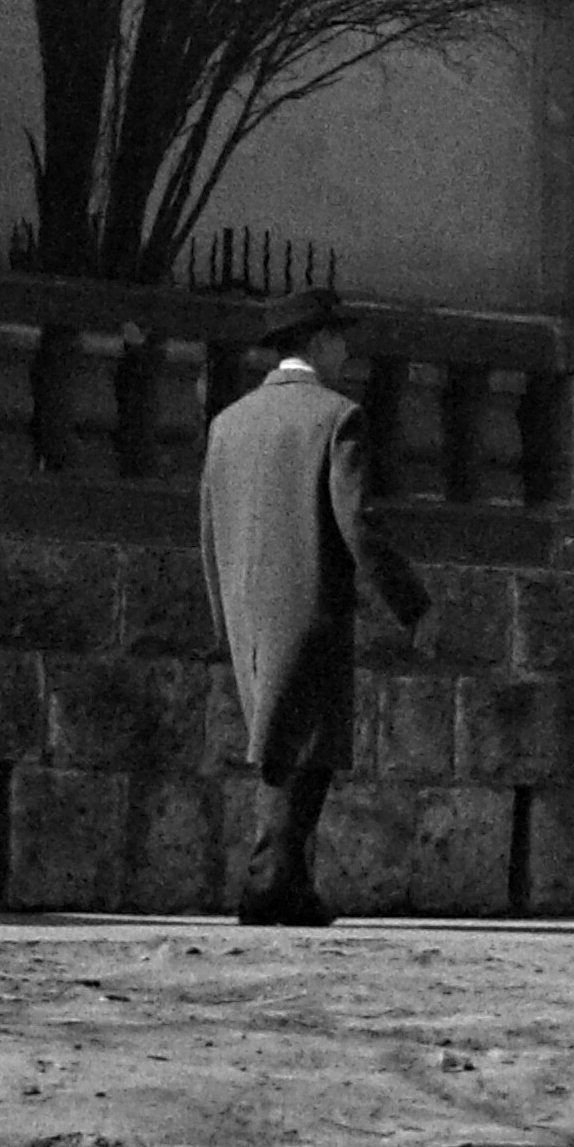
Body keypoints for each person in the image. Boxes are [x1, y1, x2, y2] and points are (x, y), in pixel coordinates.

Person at [195, 292, 425, 926]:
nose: (346, 350)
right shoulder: (337, 417)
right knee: (305, 747)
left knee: (287, 746)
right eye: (339, 338)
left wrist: (222, 618)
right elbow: (358, 524)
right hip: (309, 603)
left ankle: (283, 884)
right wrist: (410, 604)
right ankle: (269, 883)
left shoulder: (228, 423)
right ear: (319, 342)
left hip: (247, 609)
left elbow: (208, 531)